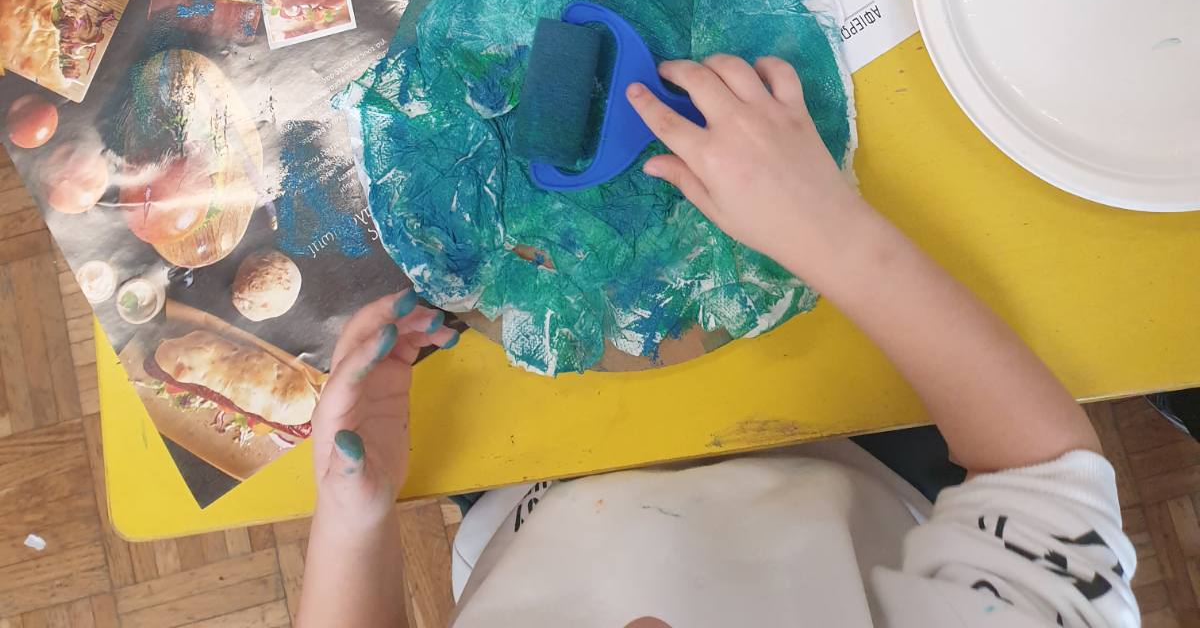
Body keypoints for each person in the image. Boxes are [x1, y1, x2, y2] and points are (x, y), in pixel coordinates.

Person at [297, 54, 1138, 627]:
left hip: (524, 494)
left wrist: (353, 519)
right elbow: (1043, 472)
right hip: (846, 457)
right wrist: (828, 228)